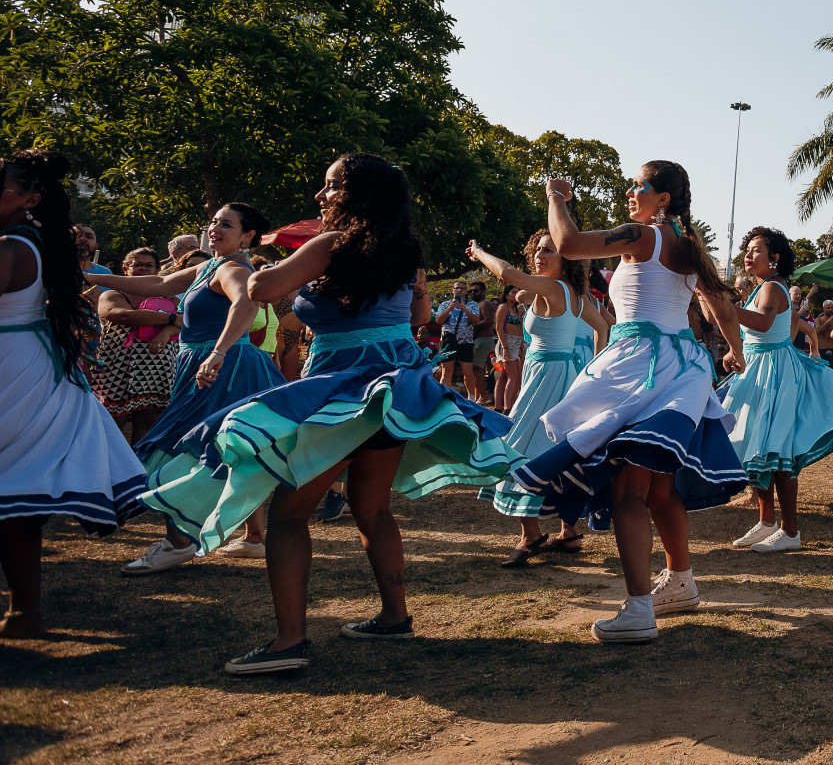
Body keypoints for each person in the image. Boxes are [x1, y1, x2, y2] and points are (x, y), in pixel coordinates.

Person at [145, 154, 516, 675]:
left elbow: (260, 291)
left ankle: (289, 642)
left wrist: (279, 265)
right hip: (395, 388)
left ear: (357, 196)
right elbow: (415, 316)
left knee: (290, 514)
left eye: (331, 187)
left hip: (343, 391)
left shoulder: (333, 244)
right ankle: (394, 617)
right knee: (373, 509)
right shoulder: (401, 250)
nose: (321, 196)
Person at [505, 165, 746, 640]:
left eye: (640, 186)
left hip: (643, 365)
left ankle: (638, 610)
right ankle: (680, 582)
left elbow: (570, 244)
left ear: (662, 199)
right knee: (658, 490)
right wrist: (733, 349)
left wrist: (556, 198)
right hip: (680, 366)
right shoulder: (686, 244)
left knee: (629, 493)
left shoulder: (642, 235)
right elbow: (719, 301)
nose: (630, 192)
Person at [90, 204, 287, 571]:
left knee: (180, 450)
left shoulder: (233, 268)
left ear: (247, 236)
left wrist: (218, 352)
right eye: (213, 222)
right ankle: (248, 537)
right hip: (200, 365)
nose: (214, 228)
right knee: (224, 450)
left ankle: (179, 541)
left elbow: (246, 301)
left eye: (226, 224)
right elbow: (159, 284)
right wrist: (96, 278)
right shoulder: (209, 265)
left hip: (223, 369)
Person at [0, 152, 149, 637]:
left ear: (30, 199)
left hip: (14, 366)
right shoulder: (37, 241)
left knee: (13, 487)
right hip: (33, 363)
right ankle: (25, 612)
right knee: (16, 490)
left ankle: (25, 613)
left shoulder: (10, 246)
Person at [725, 227, 833, 552]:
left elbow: (763, 324)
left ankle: (790, 531)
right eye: (748, 249)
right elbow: (786, 326)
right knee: (761, 444)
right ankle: (767, 521)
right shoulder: (762, 289)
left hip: (775, 369)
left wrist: (721, 306)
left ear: (775, 258)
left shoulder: (772, 286)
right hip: (759, 368)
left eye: (756, 250)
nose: (748, 255)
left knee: (780, 446)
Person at [466, 231, 598, 565]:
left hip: (548, 378)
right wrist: (594, 370)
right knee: (563, 449)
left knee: (519, 446)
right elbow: (605, 326)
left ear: (565, 257)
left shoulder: (554, 287)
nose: (540, 255)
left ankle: (531, 536)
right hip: (560, 375)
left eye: (549, 251)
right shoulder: (572, 292)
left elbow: (507, 274)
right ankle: (568, 532)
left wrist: (479, 250)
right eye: (538, 249)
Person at [93, 247, 179, 445]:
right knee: (111, 422)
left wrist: (166, 331)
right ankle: (104, 468)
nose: (143, 269)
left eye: (149, 265)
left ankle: (138, 469)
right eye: (137, 264)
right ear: (125, 269)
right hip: (117, 367)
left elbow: (188, 323)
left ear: (158, 270)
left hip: (158, 367)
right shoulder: (113, 294)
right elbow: (122, 315)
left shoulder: (170, 298)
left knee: (149, 421)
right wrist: (172, 318)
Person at [435, 281, 483, 397]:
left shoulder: (472, 305)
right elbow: (438, 321)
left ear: (466, 291)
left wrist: (465, 310)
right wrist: (448, 310)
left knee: (468, 371)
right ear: (453, 290)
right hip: (448, 340)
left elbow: (476, 320)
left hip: (466, 341)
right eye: (457, 288)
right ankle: (445, 398)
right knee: (446, 370)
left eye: (462, 288)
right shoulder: (445, 305)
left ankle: (471, 398)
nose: (459, 291)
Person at [495, 289, 525, 412]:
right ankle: (508, 407)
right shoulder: (503, 307)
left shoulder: (517, 309)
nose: (516, 294)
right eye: (513, 292)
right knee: (514, 377)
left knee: (503, 376)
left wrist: (521, 316)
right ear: (506, 295)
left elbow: (520, 328)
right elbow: (499, 328)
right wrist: (505, 348)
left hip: (516, 344)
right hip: (506, 343)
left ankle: (499, 406)